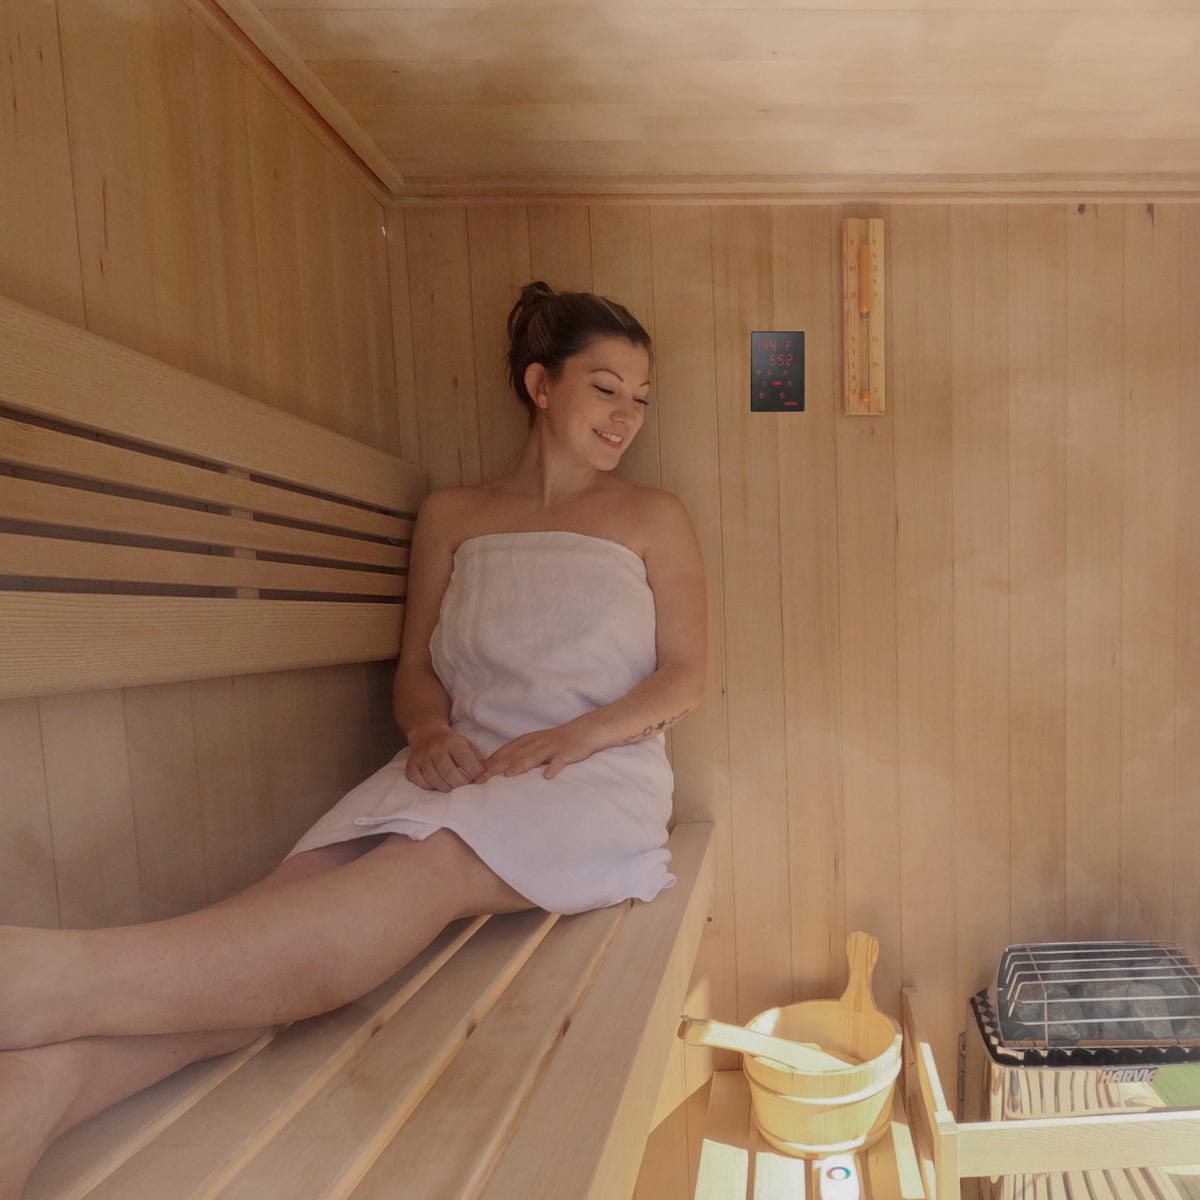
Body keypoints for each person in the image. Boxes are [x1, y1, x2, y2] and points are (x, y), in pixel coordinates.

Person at [0, 281, 707, 1198]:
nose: (627, 417)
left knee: (429, 864)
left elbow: (686, 676)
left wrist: (575, 736)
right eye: (606, 388)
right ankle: (41, 1087)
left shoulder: (654, 517)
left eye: (641, 399)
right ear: (541, 384)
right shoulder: (455, 515)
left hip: (595, 775)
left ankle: (38, 975)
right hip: (461, 760)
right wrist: (425, 731)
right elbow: (415, 667)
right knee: (289, 900)